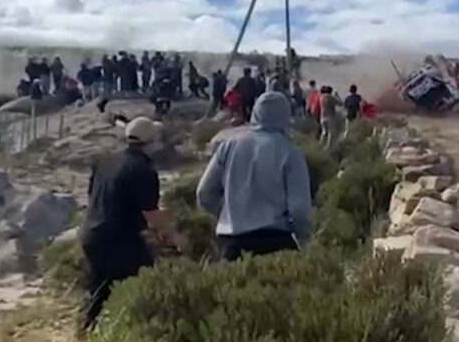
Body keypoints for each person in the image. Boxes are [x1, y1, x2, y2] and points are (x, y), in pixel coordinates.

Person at [80, 117, 187, 330]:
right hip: (119, 240)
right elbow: (151, 212)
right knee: (146, 283)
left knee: (100, 288)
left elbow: (93, 195)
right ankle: (148, 332)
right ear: (151, 141)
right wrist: (176, 238)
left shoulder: (105, 161)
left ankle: (86, 332)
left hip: (91, 235)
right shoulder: (143, 169)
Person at [196, 92, 312, 261]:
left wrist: (228, 213)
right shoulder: (290, 152)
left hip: (231, 241)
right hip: (275, 242)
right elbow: (299, 209)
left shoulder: (229, 145)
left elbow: (204, 193)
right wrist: (304, 239)